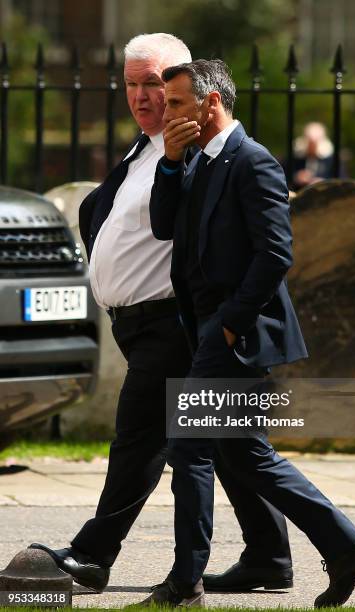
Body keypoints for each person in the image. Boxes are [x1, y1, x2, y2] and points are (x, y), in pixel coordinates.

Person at [28, 34, 294, 595]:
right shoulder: (144, 148)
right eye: (133, 83)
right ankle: (272, 554)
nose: (145, 96)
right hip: (140, 324)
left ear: (189, 86)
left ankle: (93, 555)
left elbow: (250, 244)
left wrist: (221, 320)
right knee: (227, 442)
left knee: (140, 438)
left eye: (156, 84)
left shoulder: (200, 149)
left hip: (172, 323)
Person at [146, 59, 355, 608]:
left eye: (177, 102)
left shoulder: (252, 162)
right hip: (206, 328)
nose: (167, 111)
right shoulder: (194, 161)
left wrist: (228, 326)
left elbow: (276, 253)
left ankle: (184, 584)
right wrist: (170, 161)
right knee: (244, 455)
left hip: (236, 332)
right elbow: (164, 226)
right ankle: (335, 549)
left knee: (191, 448)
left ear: (210, 104)